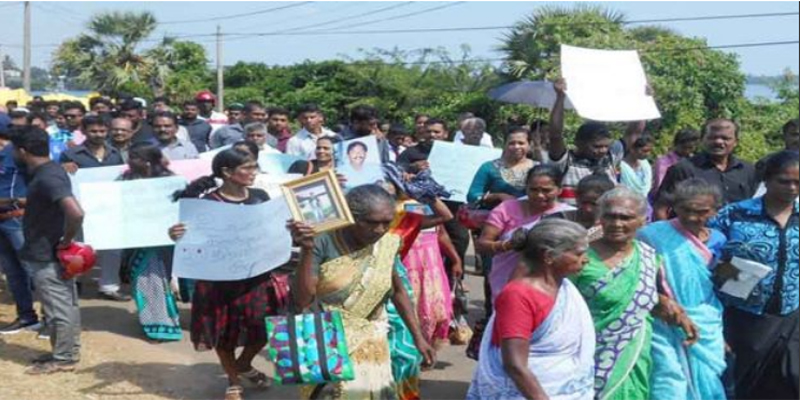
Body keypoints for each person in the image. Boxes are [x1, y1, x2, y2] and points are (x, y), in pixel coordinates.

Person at [289, 185, 436, 399]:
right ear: (350, 217)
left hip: (370, 340)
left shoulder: (387, 243)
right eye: (371, 223)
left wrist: (418, 337)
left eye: (387, 222)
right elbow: (303, 298)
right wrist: (308, 251)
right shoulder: (322, 242)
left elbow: (397, 290)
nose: (379, 230)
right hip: (324, 336)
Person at [169, 148, 283, 400]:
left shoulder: (260, 197)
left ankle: (243, 364)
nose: (254, 172)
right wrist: (177, 236)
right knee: (224, 332)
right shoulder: (207, 203)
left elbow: (271, 231)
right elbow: (193, 241)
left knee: (263, 328)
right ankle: (233, 380)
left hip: (256, 277)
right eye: (248, 168)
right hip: (217, 281)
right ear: (227, 173)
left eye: (255, 166)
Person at [571, 187, 699, 400]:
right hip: (586, 355)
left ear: (641, 221)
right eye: (610, 216)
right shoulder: (579, 258)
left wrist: (677, 313)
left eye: (626, 217)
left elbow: (641, 297)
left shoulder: (649, 257)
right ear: (599, 218)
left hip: (632, 355)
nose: (617, 224)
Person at [467, 219, 595, 400]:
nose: (586, 259)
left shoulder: (564, 289)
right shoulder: (519, 296)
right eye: (579, 254)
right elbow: (515, 365)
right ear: (549, 256)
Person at [709, 150, 799, 400]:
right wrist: (732, 275)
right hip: (743, 318)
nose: (792, 188)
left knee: (790, 383)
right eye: (784, 181)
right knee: (742, 385)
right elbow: (703, 254)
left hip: (791, 316)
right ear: (767, 180)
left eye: (798, 183)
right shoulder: (735, 214)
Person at [638, 179, 728, 400]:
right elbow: (637, 277)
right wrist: (660, 300)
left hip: (707, 319)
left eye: (701, 211)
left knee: (709, 378)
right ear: (674, 207)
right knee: (668, 381)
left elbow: (720, 282)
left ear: (715, 210)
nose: (691, 217)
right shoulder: (651, 235)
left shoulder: (719, 239)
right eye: (685, 210)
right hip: (664, 319)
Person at [11, 127, 85, 375]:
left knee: (57, 307)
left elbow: (76, 212)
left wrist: (67, 239)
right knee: (66, 304)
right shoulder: (50, 171)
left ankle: (64, 358)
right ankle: (66, 351)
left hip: (48, 253)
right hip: (50, 251)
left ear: (22, 151)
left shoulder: (47, 177)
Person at [476, 165, 574, 301]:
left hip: (550, 287)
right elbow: (482, 244)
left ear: (559, 190)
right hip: (506, 282)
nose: (539, 195)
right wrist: (507, 245)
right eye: (533, 189)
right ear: (526, 188)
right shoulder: (507, 209)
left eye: (547, 190)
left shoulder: (568, 215)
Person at [118, 144, 182, 342]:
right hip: (135, 240)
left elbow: (180, 208)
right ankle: (155, 320)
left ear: (148, 161)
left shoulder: (169, 182)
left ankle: (162, 324)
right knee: (143, 282)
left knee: (154, 281)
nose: (130, 161)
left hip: (161, 242)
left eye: (135, 157)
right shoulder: (125, 180)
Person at [655, 118, 758, 220]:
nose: (718, 141)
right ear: (702, 140)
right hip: (691, 234)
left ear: (736, 142)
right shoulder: (683, 169)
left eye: (725, 138)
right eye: (712, 137)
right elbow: (661, 207)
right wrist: (666, 234)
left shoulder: (747, 170)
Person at [548, 79, 621, 206]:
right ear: (579, 143)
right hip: (571, 222)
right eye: (597, 146)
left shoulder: (610, 157)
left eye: (606, 146)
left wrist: (645, 99)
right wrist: (560, 97)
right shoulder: (565, 161)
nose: (603, 150)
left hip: (604, 223)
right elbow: (555, 135)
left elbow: (634, 133)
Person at [0, 128, 42, 336]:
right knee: (13, 272)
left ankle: (51, 319)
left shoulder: (16, 153)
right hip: (2, 222)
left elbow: (43, 170)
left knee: (35, 270)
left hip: (18, 218)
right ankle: (26, 316)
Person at [468, 127, 537, 206]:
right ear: (504, 145)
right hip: (497, 215)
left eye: (521, 143)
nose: (516, 147)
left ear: (529, 145)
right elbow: (472, 195)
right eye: (512, 143)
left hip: (532, 216)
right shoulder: (489, 167)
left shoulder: (538, 169)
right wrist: (497, 196)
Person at [547, 174, 616, 242]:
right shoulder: (557, 221)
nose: (588, 209)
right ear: (577, 198)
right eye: (584, 203)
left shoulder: (615, 226)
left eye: (594, 204)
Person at [59, 115, 125, 173]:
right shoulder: (70, 155)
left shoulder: (115, 153)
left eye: (102, 131)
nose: (98, 135)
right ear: (83, 131)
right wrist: (63, 167)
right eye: (93, 131)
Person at [652, 128, 700, 194]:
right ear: (676, 144)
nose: (687, 151)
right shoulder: (663, 162)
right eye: (684, 147)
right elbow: (660, 185)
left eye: (691, 148)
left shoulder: (695, 161)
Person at [619, 134, 655, 199]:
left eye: (649, 151)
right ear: (632, 149)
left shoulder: (645, 165)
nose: (648, 154)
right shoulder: (620, 167)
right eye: (644, 151)